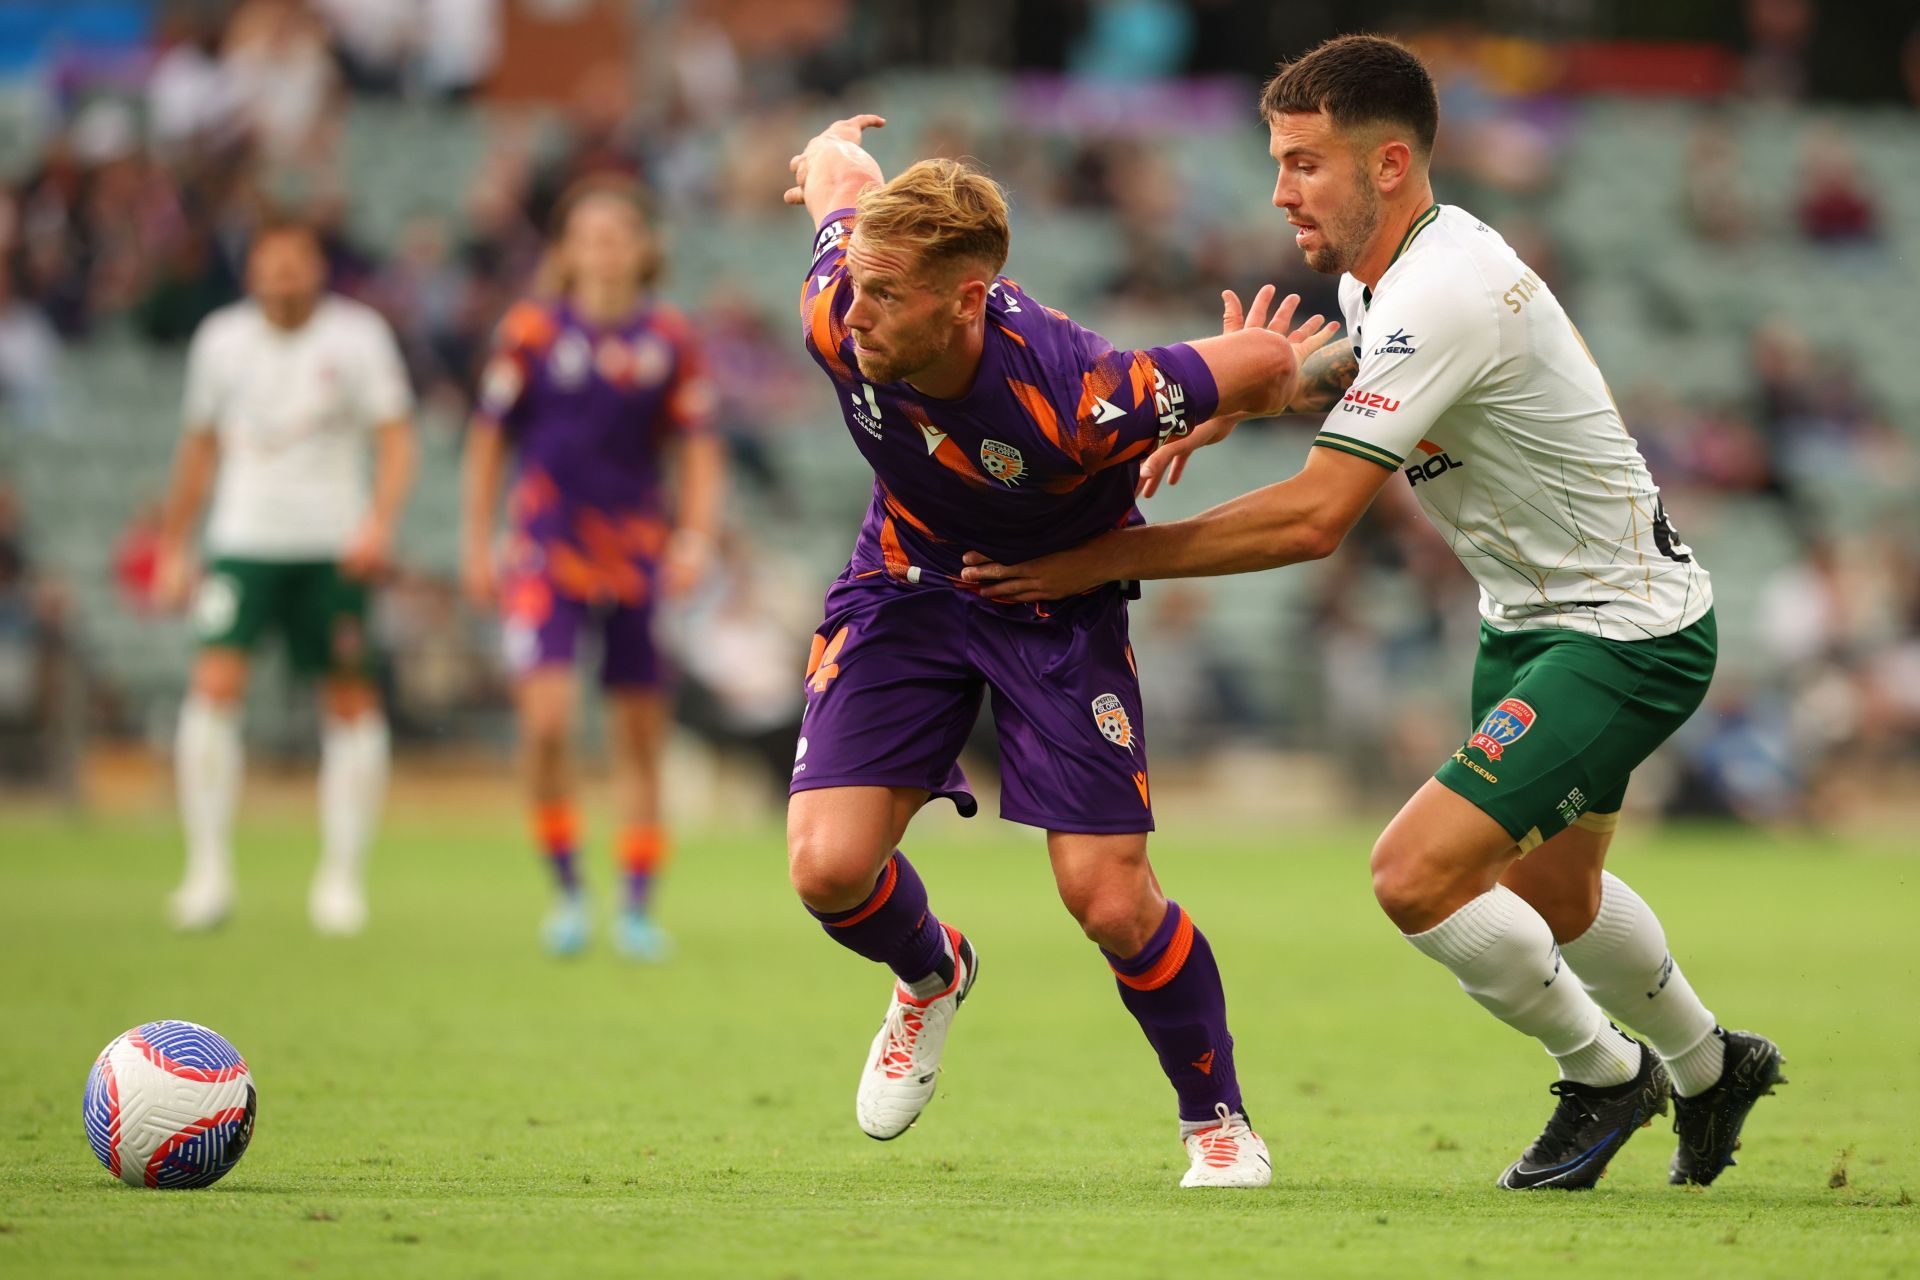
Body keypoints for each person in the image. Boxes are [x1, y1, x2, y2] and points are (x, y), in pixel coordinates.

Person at [962, 35, 1783, 1192]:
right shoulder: (1392, 276)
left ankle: (1605, 1072)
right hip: (1535, 617)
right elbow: (1355, 357)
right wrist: (1240, 398)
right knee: (1559, 893)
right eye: (1279, 160)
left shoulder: (1446, 288)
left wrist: (1098, 558)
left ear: (1389, 164)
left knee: (1414, 875)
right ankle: (1712, 1066)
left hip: (1623, 631)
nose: (1281, 189)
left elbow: (1312, 520)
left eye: (1304, 164)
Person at [783, 115, 1333, 1187]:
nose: (857, 312)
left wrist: (1208, 416)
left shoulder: (1082, 397)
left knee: (1110, 899)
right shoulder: (838, 307)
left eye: (887, 293)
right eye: (855, 282)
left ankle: (1217, 1122)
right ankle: (931, 971)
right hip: (906, 579)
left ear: (965, 300)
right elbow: (841, 179)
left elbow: (1271, 357)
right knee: (827, 867)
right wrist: (828, 148)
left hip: (1052, 605)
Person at [460, 176, 724, 961]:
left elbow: (699, 450)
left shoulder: (669, 339)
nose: (605, 245)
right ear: (566, 250)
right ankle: (568, 891)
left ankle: (637, 907)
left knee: (637, 737)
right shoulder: (532, 332)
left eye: (619, 231)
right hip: (545, 544)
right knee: (545, 724)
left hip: (636, 550)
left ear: (645, 249)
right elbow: (486, 441)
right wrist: (476, 542)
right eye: (589, 231)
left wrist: (696, 537)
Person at [156, 218, 417, 935]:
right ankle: (206, 873)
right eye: (270, 264)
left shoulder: (358, 336)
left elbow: (395, 437)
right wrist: (175, 542)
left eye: (295, 264)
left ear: (317, 270)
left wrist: (379, 522)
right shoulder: (220, 341)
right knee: (213, 686)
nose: (283, 277)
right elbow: (199, 445)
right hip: (243, 540)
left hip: (332, 543)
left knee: (349, 698)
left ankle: (341, 879)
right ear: (252, 272)